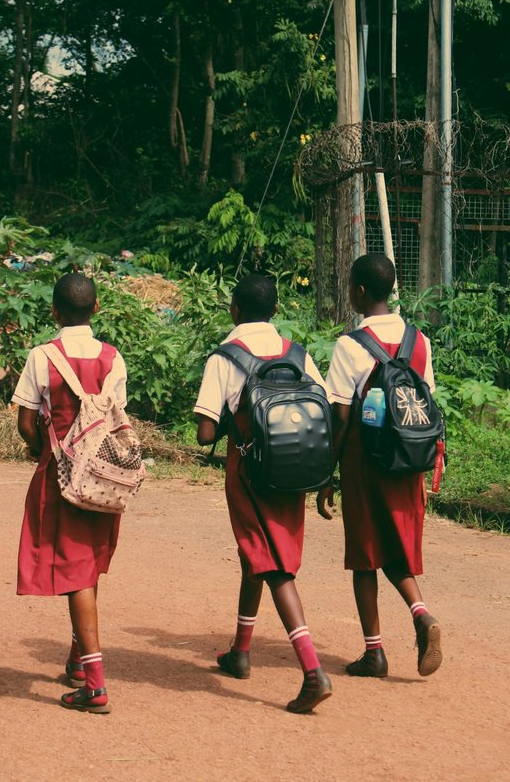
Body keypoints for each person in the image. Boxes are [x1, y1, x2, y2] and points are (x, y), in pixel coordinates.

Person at [194, 274, 333, 714]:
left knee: (272, 565)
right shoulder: (298, 354)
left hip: (250, 471)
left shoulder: (226, 357)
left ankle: (313, 672)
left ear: (234, 310)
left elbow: (204, 433)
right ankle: (241, 650)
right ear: (275, 311)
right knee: (256, 554)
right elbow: (323, 412)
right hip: (296, 470)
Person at [319, 254, 442, 679]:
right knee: (398, 544)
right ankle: (420, 612)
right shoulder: (419, 340)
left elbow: (340, 418)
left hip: (364, 458)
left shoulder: (349, 345)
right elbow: (424, 402)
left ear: (358, 292)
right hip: (409, 457)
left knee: (365, 554)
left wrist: (326, 475)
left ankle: (375, 652)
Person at [14, 272, 127, 714]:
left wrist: (41, 450)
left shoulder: (42, 356)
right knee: (88, 565)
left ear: (54, 312)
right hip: (103, 476)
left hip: (59, 477)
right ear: (96, 309)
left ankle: (95, 685)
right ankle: (78, 661)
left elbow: (26, 422)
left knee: (75, 572)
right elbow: (117, 415)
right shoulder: (114, 358)